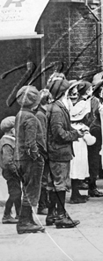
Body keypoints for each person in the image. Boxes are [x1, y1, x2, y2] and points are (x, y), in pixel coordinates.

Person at [46, 78, 83, 228]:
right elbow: (59, 134)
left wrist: (75, 131)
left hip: (54, 152)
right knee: (60, 184)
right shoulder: (57, 109)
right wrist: (76, 134)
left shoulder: (53, 107)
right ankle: (60, 216)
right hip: (59, 152)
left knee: (52, 184)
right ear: (63, 92)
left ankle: (51, 215)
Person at [14, 86, 45, 234]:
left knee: (26, 188)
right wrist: (37, 156)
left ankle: (28, 219)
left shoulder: (20, 114)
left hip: (19, 158)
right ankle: (24, 222)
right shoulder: (31, 117)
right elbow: (30, 143)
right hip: (29, 160)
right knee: (31, 189)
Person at [69, 87, 96, 204]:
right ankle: (74, 196)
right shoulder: (81, 128)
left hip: (76, 151)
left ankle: (76, 193)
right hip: (78, 153)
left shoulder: (72, 126)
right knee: (76, 171)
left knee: (76, 172)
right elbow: (91, 141)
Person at [0, 116, 21, 224]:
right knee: (14, 193)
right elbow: (8, 161)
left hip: (13, 172)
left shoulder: (10, 140)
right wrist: (16, 172)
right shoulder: (6, 142)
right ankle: (7, 215)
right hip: (11, 173)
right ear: (12, 130)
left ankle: (19, 214)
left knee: (17, 193)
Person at [35, 89, 52, 215]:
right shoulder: (41, 115)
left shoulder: (43, 113)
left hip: (44, 151)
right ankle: (42, 205)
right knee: (43, 179)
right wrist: (46, 151)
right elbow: (42, 136)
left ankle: (44, 203)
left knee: (45, 179)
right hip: (42, 152)